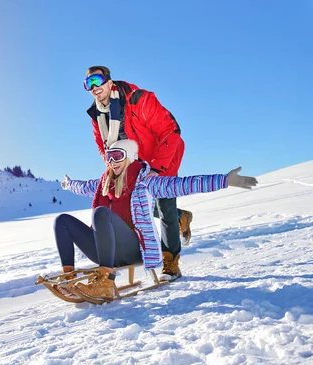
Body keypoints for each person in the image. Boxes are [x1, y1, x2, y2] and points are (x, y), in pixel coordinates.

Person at [55, 139, 257, 299]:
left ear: (131, 158)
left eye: (117, 156)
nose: (112, 161)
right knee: (62, 220)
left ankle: (106, 281)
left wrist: (224, 180)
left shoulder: (146, 181)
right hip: (104, 250)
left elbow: (183, 184)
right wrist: (68, 183)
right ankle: (68, 277)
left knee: (100, 213)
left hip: (133, 249)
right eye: (109, 157)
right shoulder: (103, 183)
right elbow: (82, 186)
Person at [83, 66, 193, 279]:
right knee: (127, 204)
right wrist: (113, 166)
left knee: (164, 204)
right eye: (89, 84)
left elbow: (171, 131)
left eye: (97, 80)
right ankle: (182, 217)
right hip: (132, 162)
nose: (94, 88)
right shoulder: (97, 115)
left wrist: (158, 166)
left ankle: (170, 261)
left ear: (108, 81)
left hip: (163, 155)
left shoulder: (138, 99)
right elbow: (102, 145)